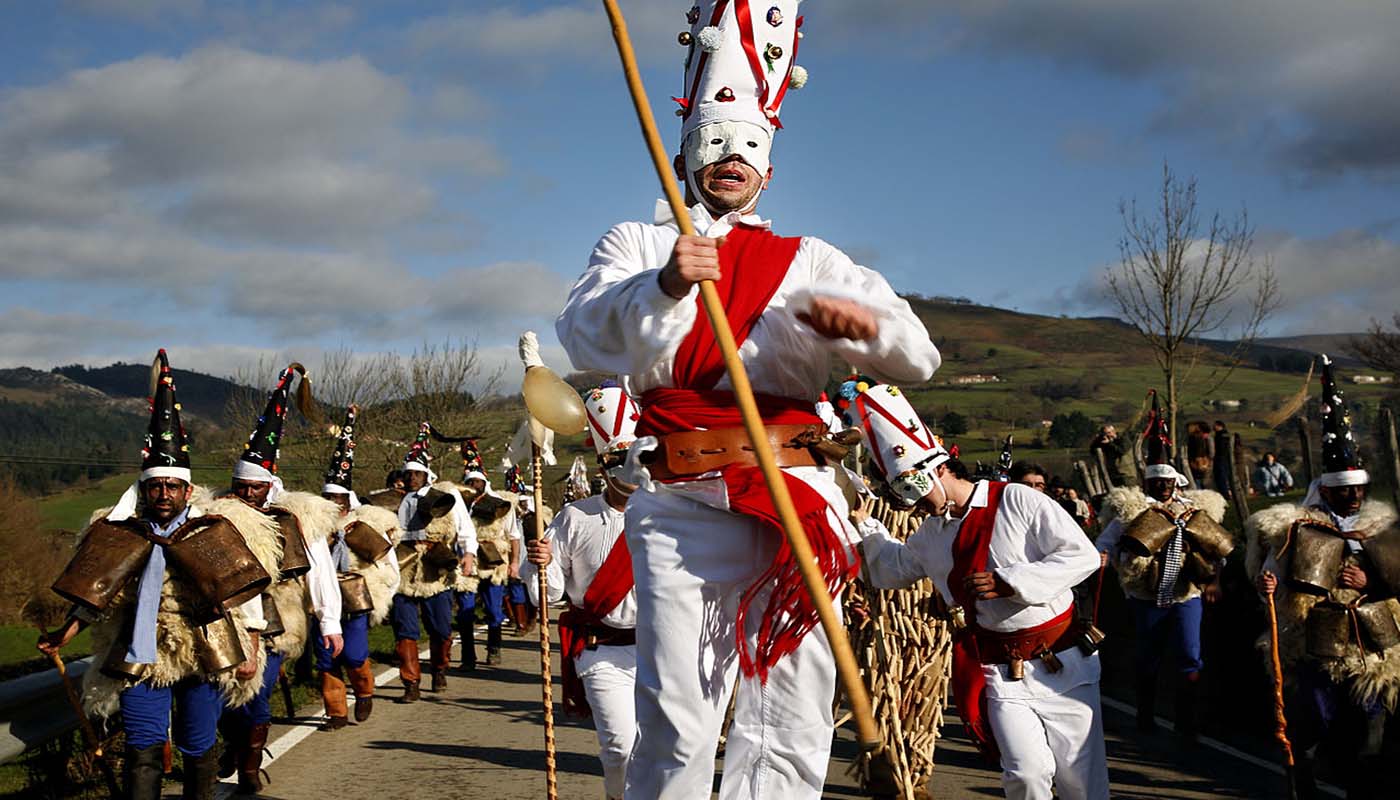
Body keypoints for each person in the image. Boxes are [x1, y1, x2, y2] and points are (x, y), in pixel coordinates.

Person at [555, 4, 939, 795]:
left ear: (770, 163)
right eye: (717, 144)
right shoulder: (636, 241)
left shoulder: (810, 258)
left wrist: (861, 326)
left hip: (797, 491)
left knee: (792, 717)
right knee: (679, 717)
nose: (733, 159)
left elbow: (918, 353)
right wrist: (663, 285)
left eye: (750, 148)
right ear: (689, 148)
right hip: (682, 500)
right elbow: (585, 335)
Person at [38, 350, 279, 800]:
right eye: (156, 485)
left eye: (171, 486)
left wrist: (250, 649)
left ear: (187, 489)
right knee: (141, 746)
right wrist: (64, 632)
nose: (163, 493)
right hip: (141, 650)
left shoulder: (213, 531)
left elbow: (242, 595)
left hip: (204, 647)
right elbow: (99, 592)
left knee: (197, 743)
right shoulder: (121, 534)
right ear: (144, 488)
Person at [852, 383, 1108, 800]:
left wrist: (1012, 581)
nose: (911, 504)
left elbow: (1081, 556)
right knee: (1025, 773)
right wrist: (863, 525)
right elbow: (890, 568)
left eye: (912, 489)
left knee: (1082, 782)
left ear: (937, 469)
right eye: (903, 495)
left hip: (1062, 663)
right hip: (1001, 671)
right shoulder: (930, 534)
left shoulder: (1017, 500)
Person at [1246, 355, 1398, 798]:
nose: (1353, 496)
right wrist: (1267, 588)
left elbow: (1396, 575)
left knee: (1373, 716)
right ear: (1327, 488)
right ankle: (1307, 777)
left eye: (1358, 489)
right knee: (1319, 720)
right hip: (1316, 640)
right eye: (1344, 489)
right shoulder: (1299, 528)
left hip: (1372, 642)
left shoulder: (1381, 527)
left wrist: (1371, 582)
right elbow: (1269, 576)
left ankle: (1361, 788)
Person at [217, 364, 343, 794]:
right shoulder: (220, 515)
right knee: (225, 694)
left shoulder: (295, 516)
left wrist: (329, 622)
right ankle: (235, 745)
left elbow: (321, 570)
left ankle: (249, 767)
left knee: (256, 692)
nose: (247, 493)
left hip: (279, 622)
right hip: (227, 620)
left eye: (255, 487)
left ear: (268, 485)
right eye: (241, 486)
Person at [524, 383, 642, 800]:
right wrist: (542, 561)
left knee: (668, 751)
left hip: (664, 650)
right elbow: (549, 594)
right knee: (621, 747)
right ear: (603, 464)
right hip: (603, 653)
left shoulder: (674, 514)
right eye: (616, 460)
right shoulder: (575, 516)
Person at [1094, 390, 1229, 739]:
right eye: (1156, 481)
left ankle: (1187, 722)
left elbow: (1220, 549)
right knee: (1148, 657)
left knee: (1189, 655)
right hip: (1146, 595)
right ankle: (1145, 715)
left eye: (1167, 481)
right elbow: (1104, 544)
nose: (1162, 486)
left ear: (1176, 481)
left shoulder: (1196, 508)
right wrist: (1111, 560)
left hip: (1186, 595)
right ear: (1147, 481)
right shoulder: (1132, 511)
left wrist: (1214, 581)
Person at [317, 405, 401, 730]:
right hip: (323, 601)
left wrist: (381, 597)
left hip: (355, 601)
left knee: (353, 654)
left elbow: (387, 566)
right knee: (326, 659)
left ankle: (364, 690)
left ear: (348, 502)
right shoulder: (314, 529)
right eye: (328, 499)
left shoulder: (366, 526)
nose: (333, 506)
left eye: (337, 501)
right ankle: (336, 711)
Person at [392, 423, 475, 701]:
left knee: (440, 628)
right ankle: (410, 683)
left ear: (426, 474)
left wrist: (468, 554)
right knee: (405, 630)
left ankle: (439, 667)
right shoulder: (397, 500)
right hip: (405, 572)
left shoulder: (445, 497)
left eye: (417, 473)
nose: (412, 478)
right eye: (408, 474)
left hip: (436, 572)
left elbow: (464, 527)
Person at [457, 466, 522, 667]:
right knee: (465, 611)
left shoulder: (502, 506)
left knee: (494, 610)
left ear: (485, 484)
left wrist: (514, 562)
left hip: (494, 564)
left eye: (478, 482)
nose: (475, 486)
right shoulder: (459, 506)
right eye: (470, 483)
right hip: (467, 562)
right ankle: (468, 656)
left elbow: (513, 536)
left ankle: (494, 647)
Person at [1211, 420, 1233, 499]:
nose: (1213, 427)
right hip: (1221, 458)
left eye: (1215, 425)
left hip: (1222, 458)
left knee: (1221, 477)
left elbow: (1222, 449)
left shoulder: (1222, 436)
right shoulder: (1221, 435)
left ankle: (1225, 494)